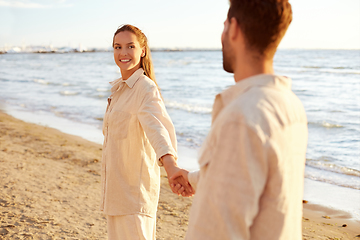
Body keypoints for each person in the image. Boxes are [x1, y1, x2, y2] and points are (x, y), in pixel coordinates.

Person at [170, 0, 308, 239]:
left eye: (224, 26)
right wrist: (194, 179)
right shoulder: (290, 104)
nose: (222, 35)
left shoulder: (241, 117)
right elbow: (261, 183)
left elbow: (218, 230)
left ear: (233, 28)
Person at [100, 24, 192, 240]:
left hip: (134, 197)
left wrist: (171, 167)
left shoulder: (145, 88)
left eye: (130, 46)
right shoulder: (119, 91)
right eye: (117, 47)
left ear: (142, 50)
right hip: (115, 195)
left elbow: (158, 130)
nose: (123, 52)